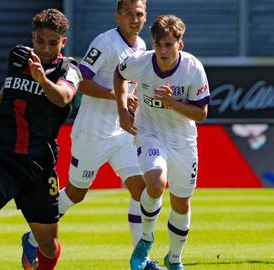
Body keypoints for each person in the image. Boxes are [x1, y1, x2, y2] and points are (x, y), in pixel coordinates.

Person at [21, 1, 162, 270]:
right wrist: (118, 97)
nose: (134, 19)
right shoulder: (105, 42)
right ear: (118, 16)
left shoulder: (142, 46)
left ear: (146, 17)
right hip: (92, 133)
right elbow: (80, 81)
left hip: (122, 133)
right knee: (76, 193)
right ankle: (32, 238)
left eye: (139, 14)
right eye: (129, 14)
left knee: (141, 189)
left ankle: (141, 260)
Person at [0, 9, 81, 270]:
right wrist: (2, 94)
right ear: (32, 37)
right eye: (39, 41)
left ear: (63, 42)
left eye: (52, 43)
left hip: (38, 163)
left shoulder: (69, 69)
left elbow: (63, 98)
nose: (45, 48)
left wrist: (43, 80)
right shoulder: (17, 56)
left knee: (48, 244)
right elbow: (14, 82)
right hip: (1, 154)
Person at [114, 15, 210, 270]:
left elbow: (201, 114)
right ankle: (145, 240)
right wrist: (123, 109)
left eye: (169, 44)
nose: (163, 50)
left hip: (183, 141)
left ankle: (174, 259)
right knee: (155, 185)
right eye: (158, 44)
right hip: (149, 133)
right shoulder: (140, 62)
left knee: (181, 204)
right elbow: (119, 74)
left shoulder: (193, 68)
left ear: (180, 44)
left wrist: (172, 104)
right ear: (152, 43)